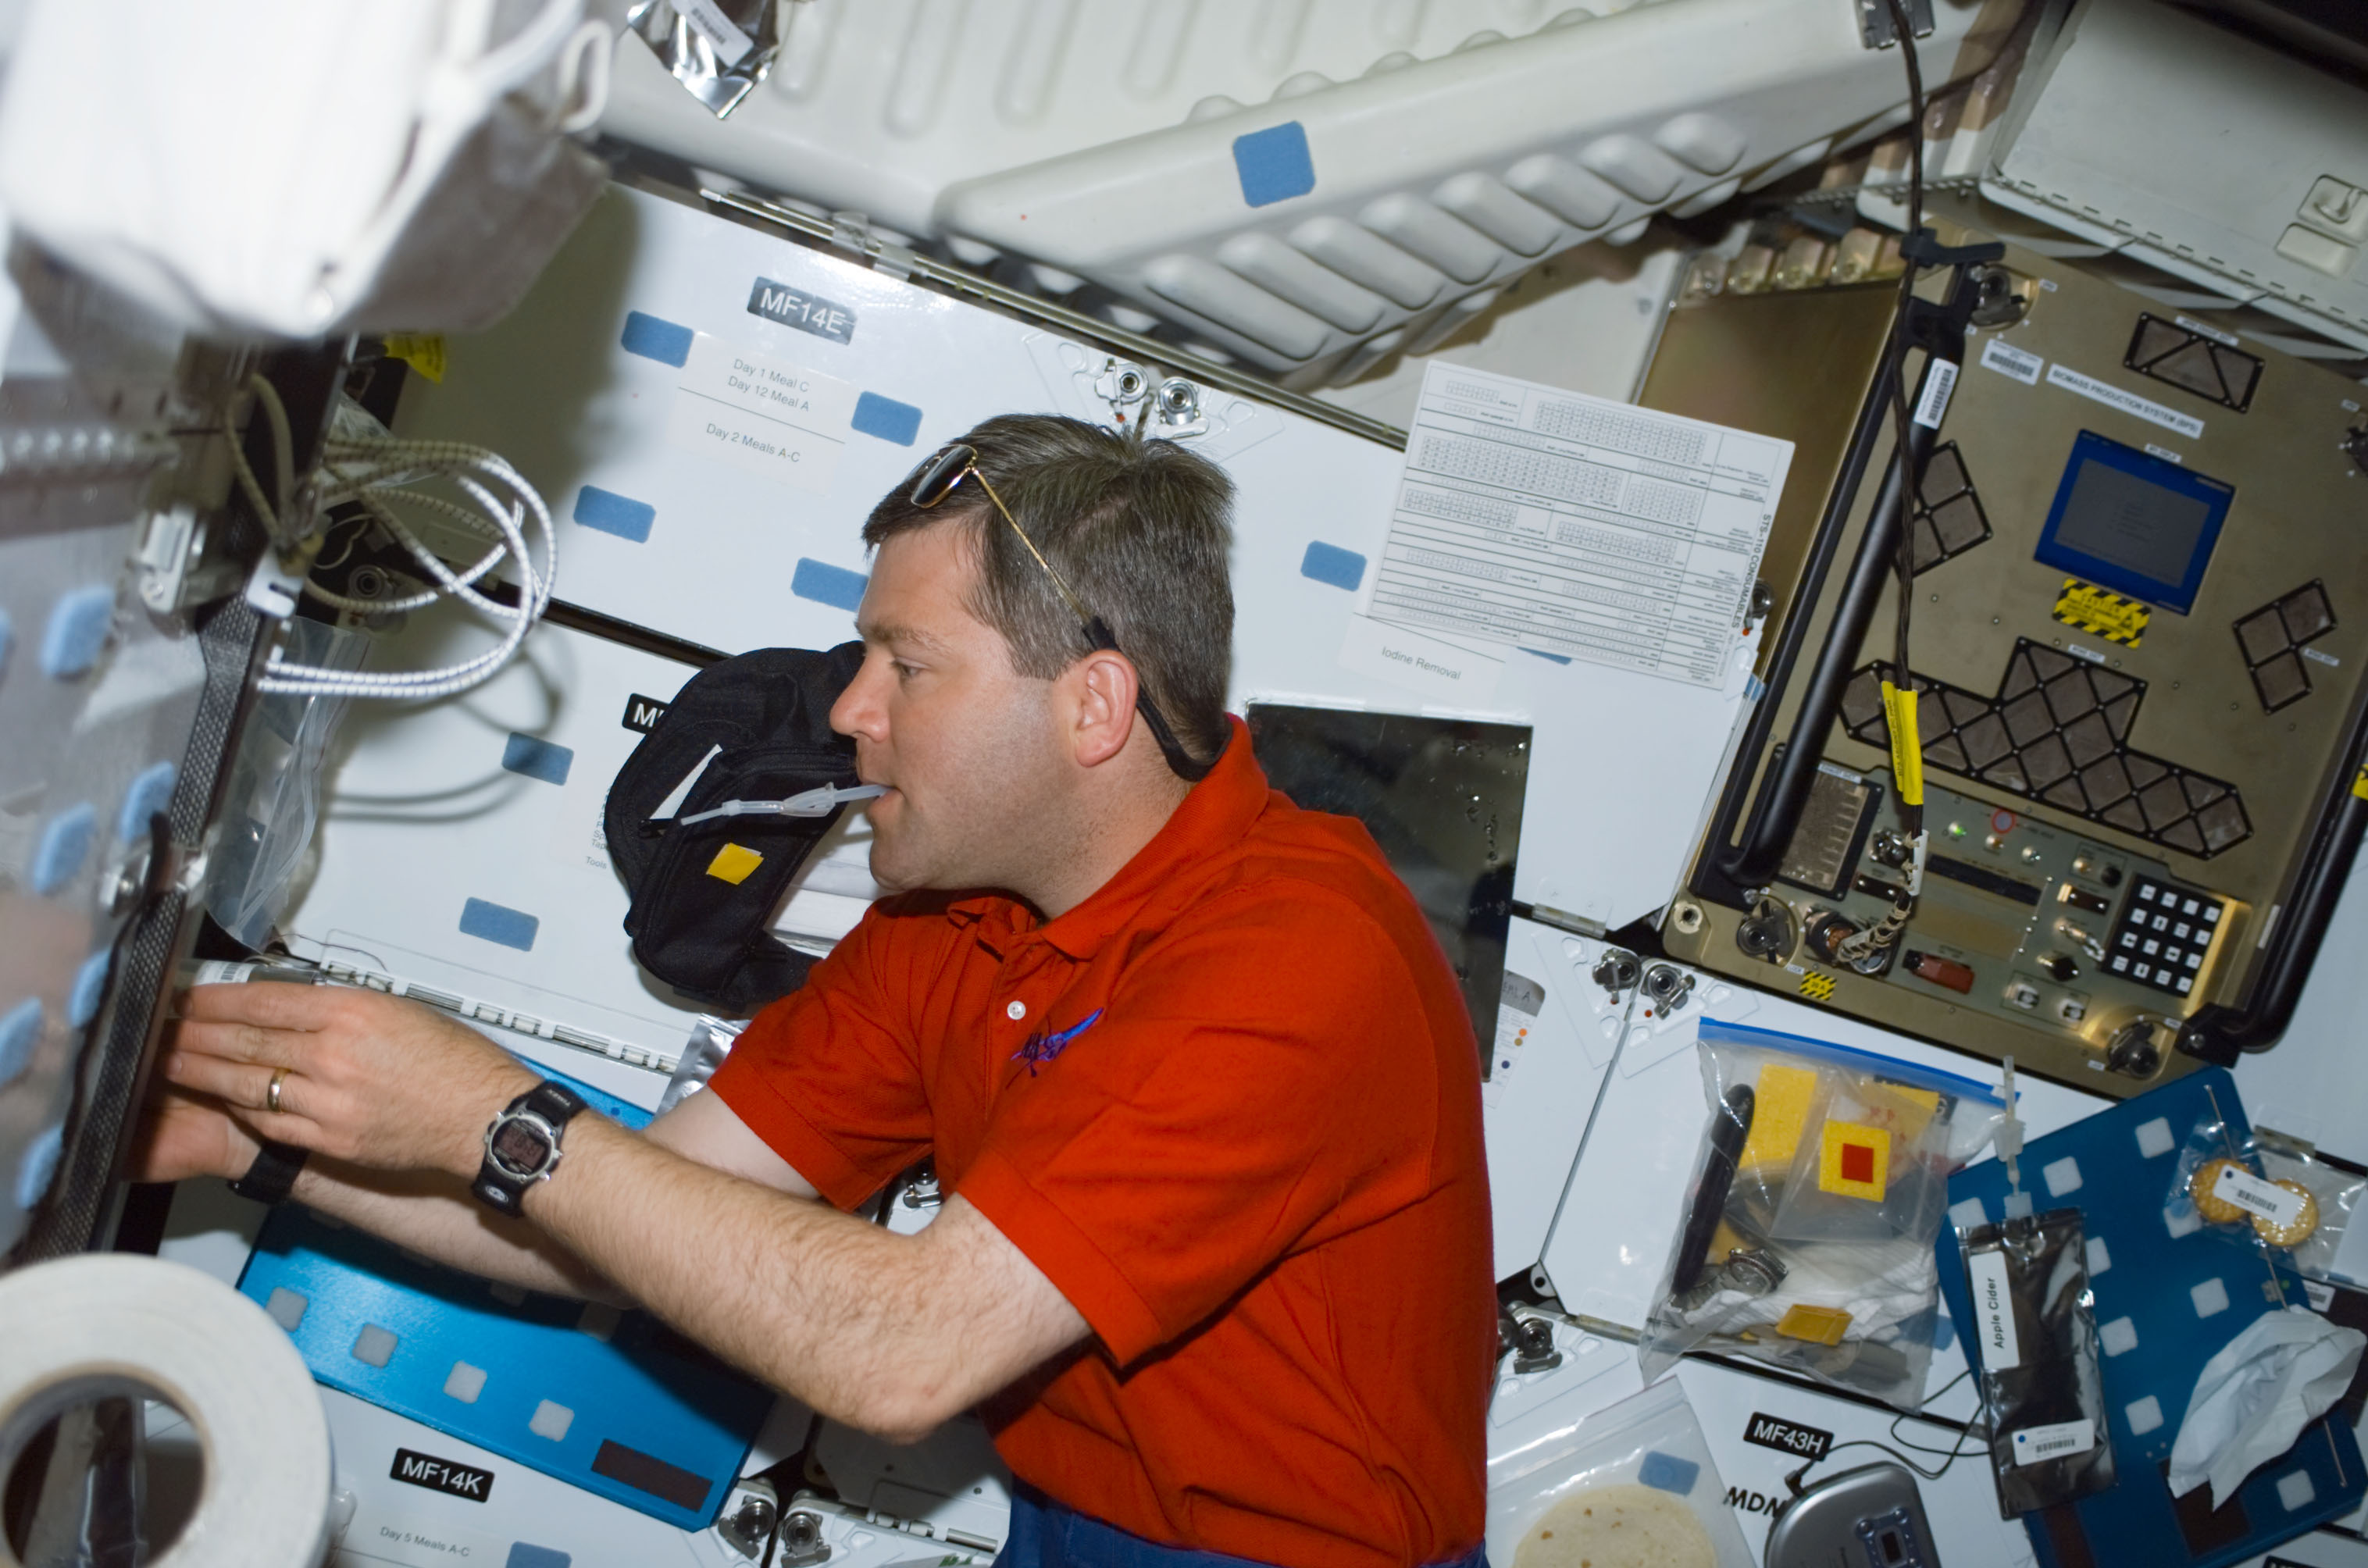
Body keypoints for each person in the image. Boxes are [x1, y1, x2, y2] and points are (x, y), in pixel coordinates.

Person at [142, 414, 1496, 1568]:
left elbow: (905, 1355)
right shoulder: (952, 919)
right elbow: (641, 1206)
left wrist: (495, 1115)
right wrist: (258, 1144)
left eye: (907, 663)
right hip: (1066, 1524)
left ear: (1093, 706)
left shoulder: (1298, 954)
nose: (849, 709)